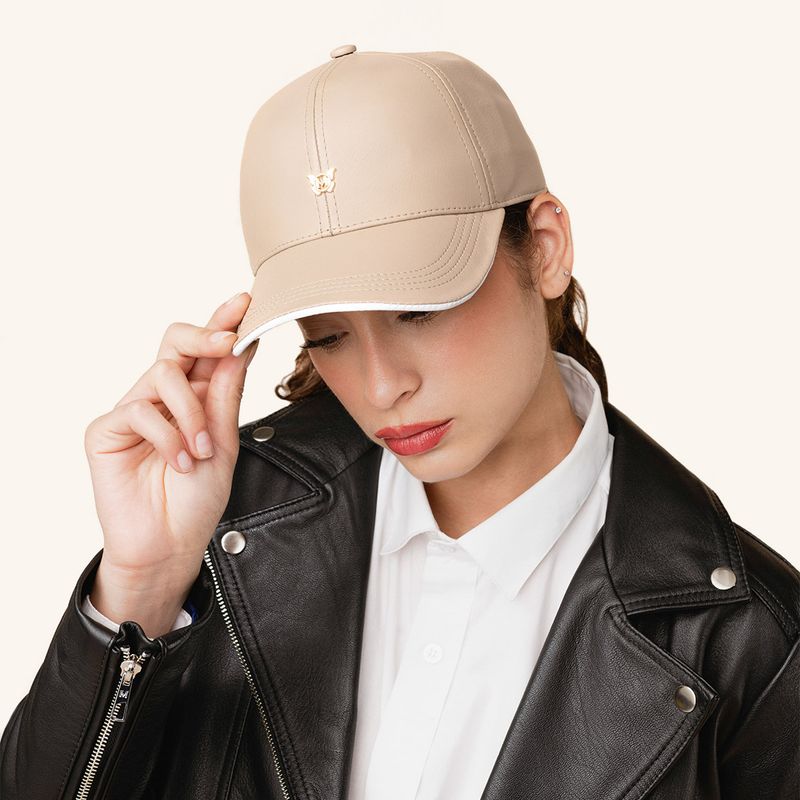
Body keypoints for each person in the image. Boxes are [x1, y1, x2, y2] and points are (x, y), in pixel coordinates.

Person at [2, 43, 799, 800]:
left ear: (545, 247)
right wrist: (141, 585)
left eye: (420, 310)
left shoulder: (749, 638)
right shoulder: (220, 518)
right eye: (329, 337)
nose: (382, 386)